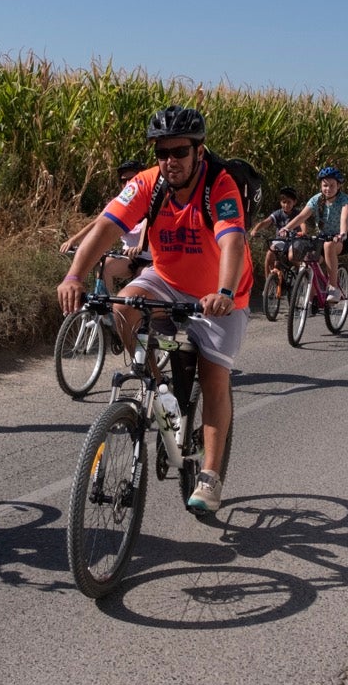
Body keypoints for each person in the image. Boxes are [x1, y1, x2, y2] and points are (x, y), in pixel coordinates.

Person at [56, 105, 250, 514]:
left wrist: (225, 291)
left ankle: (211, 476)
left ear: (199, 150)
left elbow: (232, 241)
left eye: (179, 152)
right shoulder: (149, 182)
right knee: (123, 310)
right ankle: (158, 384)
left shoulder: (221, 186)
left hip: (221, 291)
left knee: (214, 375)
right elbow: (107, 225)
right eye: (161, 152)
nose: (169, 161)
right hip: (167, 278)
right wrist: (75, 275)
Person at [60, 159, 151, 292]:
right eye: (123, 180)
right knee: (105, 267)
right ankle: (105, 310)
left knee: (140, 284)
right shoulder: (121, 201)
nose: (127, 183)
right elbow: (98, 223)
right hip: (129, 257)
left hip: (150, 259)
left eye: (132, 179)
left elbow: (149, 223)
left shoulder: (151, 200)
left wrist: (140, 246)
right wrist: (73, 240)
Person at [281, 166, 348, 304]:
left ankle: (333, 287)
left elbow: (344, 218)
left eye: (332, 185)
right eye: (325, 185)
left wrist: (342, 233)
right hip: (322, 237)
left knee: (328, 245)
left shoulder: (345, 200)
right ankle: (311, 298)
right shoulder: (316, 199)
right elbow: (302, 216)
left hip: (343, 238)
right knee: (307, 260)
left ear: (338, 185)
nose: (328, 189)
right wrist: (286, 228)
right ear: (321, 185)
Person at [250, 185, 304, 279]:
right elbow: (265, 222)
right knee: (269, 255)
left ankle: (302, 272)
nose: (286, 205)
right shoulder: (278, 213)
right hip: (281, 240)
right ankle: (268, 284)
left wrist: (303, 232)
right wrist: (255, 229)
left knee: (292, 257)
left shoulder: (297, 214)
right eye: (284, 202)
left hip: (295, 240)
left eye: (289, 202)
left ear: (294, 202)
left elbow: (303, 223)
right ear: (280, 202)